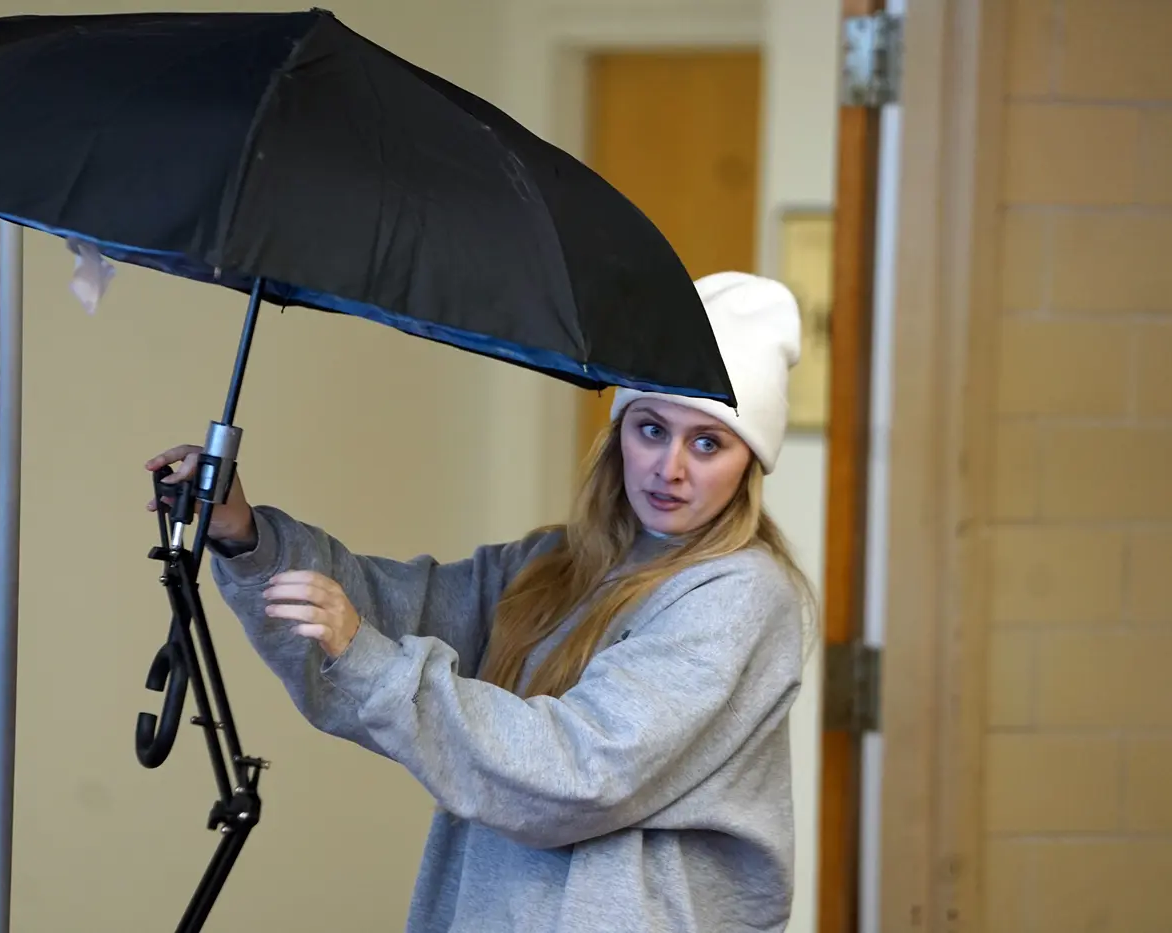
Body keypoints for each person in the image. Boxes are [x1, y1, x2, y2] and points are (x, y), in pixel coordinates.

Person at [145, 271, 814, 933]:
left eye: (707, 442)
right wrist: (249, 536)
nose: (669, 467)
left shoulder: (741, 594)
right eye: (650, 428)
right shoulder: (555, 564)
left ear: (749, 461)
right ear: (618, 436)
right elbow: (394, 609)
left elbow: (583, 770)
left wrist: (370, 660)